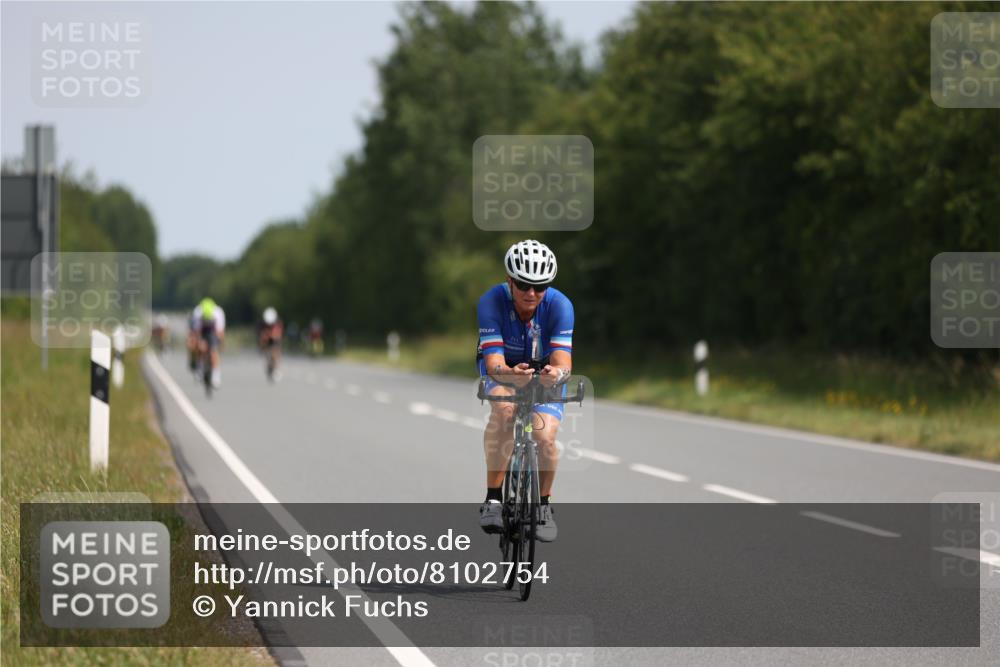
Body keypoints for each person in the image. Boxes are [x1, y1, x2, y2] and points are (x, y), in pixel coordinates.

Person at [476, 240, 573, 543]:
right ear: (510, 281)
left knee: (545, 438)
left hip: (544, 375)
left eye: (539, 286)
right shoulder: (491, 302)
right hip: (503, 369)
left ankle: (543, 506)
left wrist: (556, 374)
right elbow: (493, 363)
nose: (531, 293)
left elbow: (563, 361)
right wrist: (510, 375)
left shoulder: (559, 306)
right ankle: (493, 498)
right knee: (505, 411)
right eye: (523, 284)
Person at [191, 297, 226, 388]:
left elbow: (220, 332)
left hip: (213, 331)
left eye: (208, 320)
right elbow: (196, 333)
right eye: (205, 320)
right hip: (201, 331)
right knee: (200, 347)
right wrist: (198, 343)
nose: (206, 322)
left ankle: (216, 375)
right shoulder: (197, 313)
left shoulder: (218, 313)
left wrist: (220, 344)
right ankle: (200, 368)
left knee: (214, 352)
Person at [259, 307, 284, 380]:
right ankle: (269, 366)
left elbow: (278, 335)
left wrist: (271, 335)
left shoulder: (278, 322)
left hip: (275, 339)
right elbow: (262, 336)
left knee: (276, 352)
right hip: (266, 340)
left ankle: (276, 368)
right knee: (267, 353)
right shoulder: (262, 323)